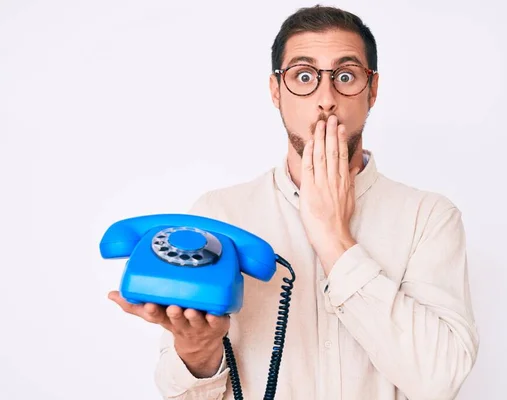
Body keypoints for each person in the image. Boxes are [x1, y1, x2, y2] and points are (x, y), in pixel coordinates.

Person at [108, 5, 479, 400]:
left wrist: (333, 237)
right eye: (304, 76)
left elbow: (441, 379)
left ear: (372, 91)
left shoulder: (429, 218)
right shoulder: (217, 216)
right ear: (275, 91)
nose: (326, 98)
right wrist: (197, 352)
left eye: (346, 76)